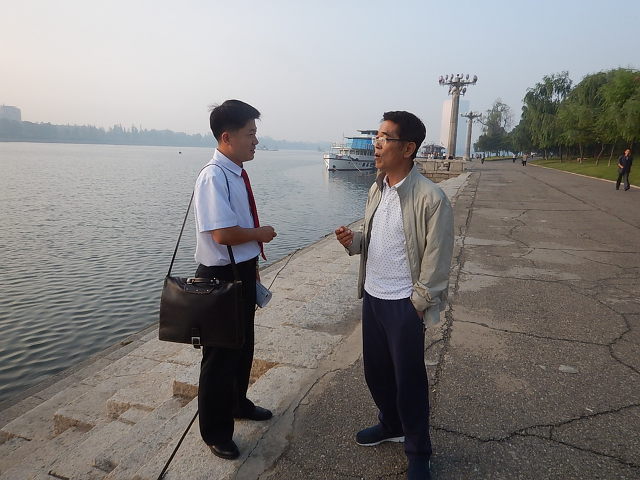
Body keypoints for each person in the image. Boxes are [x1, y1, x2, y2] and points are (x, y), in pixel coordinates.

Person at [335, 111, 454, 480]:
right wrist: (354, 242)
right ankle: (390, 425)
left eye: (385, 137)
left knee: (409, 383)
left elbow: (436, 260)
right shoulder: (377, 188)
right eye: (378, 136)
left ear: (408, 148)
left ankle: (418, 452)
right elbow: (378, 239)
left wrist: (418, 305)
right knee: (376, 374)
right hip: (373, 297)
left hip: (404, 304)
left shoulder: (431, 198)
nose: (377, 144)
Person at [193, 99, 277, 460]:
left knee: (242, 346)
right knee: (219, 358)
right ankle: (215, 432)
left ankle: (238, 403)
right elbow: (223, 234)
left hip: (240, 269)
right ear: (227, 137)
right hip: (219, 276)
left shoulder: (236, 173)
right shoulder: (213, 176)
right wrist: (261, 233)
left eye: (255, 133)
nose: (255, 140)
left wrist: (252, 262)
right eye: (250, 133)